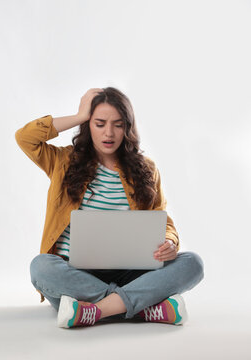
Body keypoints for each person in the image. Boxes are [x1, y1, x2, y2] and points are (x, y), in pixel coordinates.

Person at [15, 87, 204, 328]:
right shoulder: (63, 162)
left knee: (193, 263)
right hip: (76, 272)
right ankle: (144, 309)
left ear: (128, 127)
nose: (109, 132)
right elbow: (25, 137)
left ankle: (93, 311)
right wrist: (79, 115)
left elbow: (162, 220)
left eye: (118, 124)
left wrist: (169, 242)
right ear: (88, 125)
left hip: (132, 271)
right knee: (41, 267)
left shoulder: (147, 169)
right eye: (99, 123)